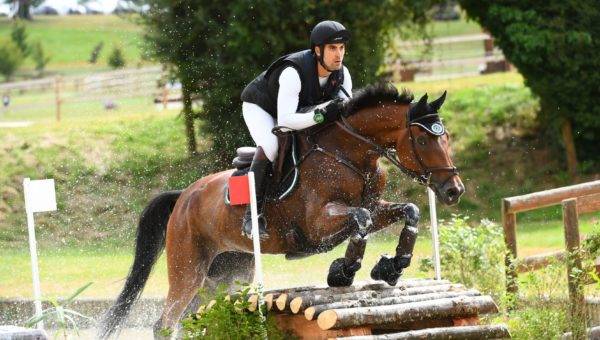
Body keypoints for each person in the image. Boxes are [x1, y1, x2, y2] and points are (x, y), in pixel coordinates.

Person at [240, 20, 353, 239]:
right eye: (332, 48)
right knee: (272, 147)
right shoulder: (294, 72)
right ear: (317, 50)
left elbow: (344, 112)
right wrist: (320, 115)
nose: (338, 54)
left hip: (297, 111)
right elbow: (284, 122)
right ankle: (252, 217)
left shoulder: (342, 74)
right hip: (262, 108)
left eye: (341, 48)